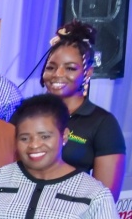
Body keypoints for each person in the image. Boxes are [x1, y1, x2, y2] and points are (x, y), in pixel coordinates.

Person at [40, 20, 125, 196]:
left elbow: (106, 198)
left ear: (87, 73)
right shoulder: (27, 114)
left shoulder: (102, 123)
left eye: (70, 68)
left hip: (72, 218)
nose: (57, 74)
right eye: (51, 67)